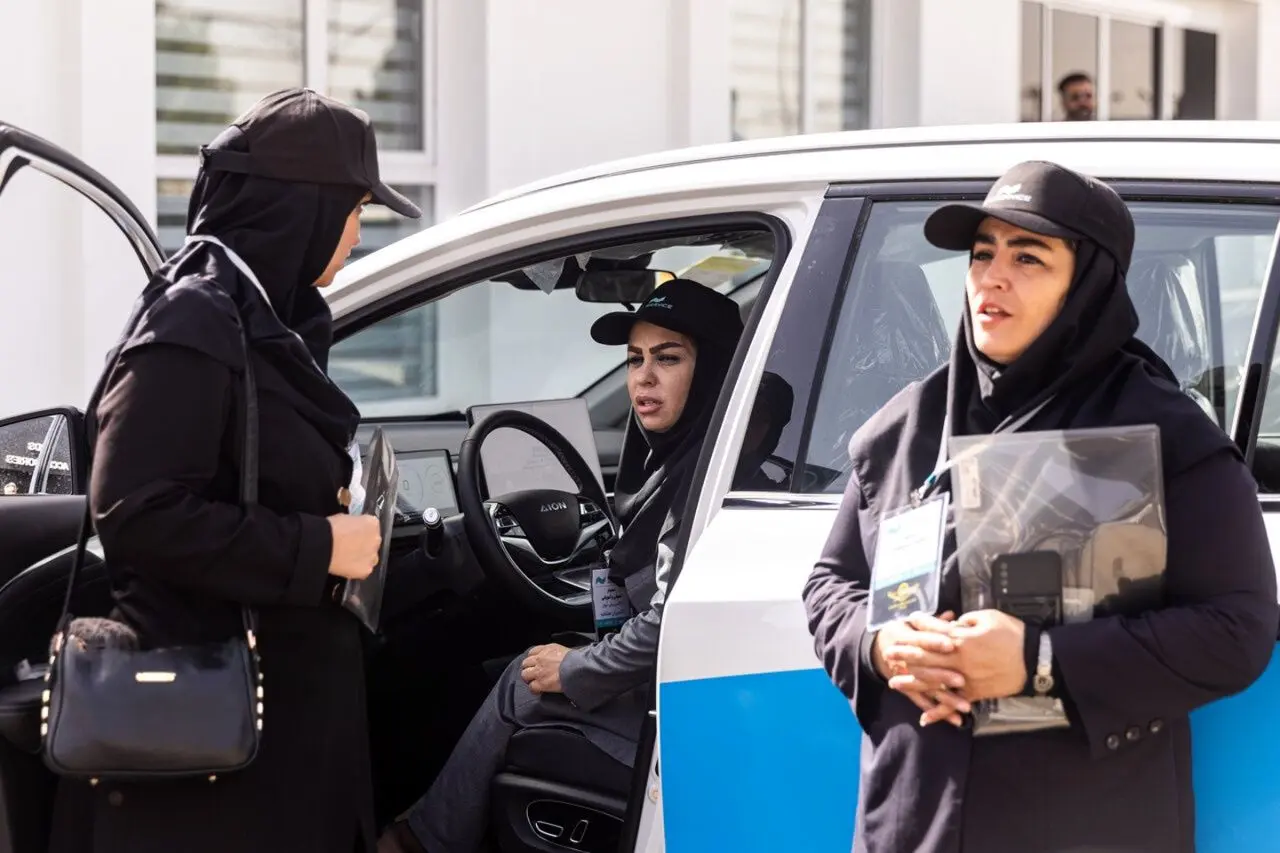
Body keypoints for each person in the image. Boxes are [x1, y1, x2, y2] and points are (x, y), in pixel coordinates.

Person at [802, 160, 1279, 852]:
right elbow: (831, 583)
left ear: (1088, 285)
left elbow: (1237, 626)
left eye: (1028, 258)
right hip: (915, 817)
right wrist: (878, 645)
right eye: (982, 253)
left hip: (1085, 823)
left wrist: (1040, 659)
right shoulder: (908, 425)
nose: (991, 278)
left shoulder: (1166, 436)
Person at [48, 87, 421, 853]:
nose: (358, 233)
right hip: (209, 756)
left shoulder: (269, 317)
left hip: (278, 736)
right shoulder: (193, 319)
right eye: (354, 209)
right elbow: (137, 511)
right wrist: (319, 546)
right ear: (301, 210)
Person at [378, 279, 744, 852]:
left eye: (668, 359)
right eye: (635, 359)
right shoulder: (703, 455)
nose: (643, 378)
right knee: (507, 665)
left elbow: (670, 620)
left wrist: (578, 668)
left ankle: (415, 842)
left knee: (519, 680)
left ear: (716, 370)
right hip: (691, 693)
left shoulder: (708, 476)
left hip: (688, 720)